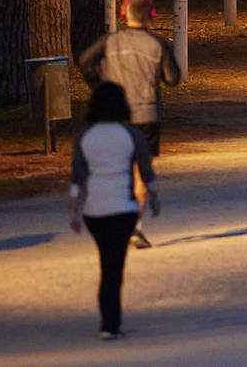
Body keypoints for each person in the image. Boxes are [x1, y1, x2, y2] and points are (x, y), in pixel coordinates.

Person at [76, 0, 180, 249]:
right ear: (151, 16)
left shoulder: (109, 43)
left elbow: (85, 63)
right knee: (140, 173)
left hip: (114, 116)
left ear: (124, 14)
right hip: (146, 116)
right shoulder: (158, 45)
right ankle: (135, 227)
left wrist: (99, 88)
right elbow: (173, 78)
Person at [69, 81, 160, 341]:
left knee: (106, 262)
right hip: (123, 208)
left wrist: (74, 209)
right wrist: (153, 196)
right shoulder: (131, 135)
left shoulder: (86, 136)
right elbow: (145, 170)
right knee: (114, 267)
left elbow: (78, 176)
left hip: (94, 211)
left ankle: (109, 320)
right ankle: (110, 322)